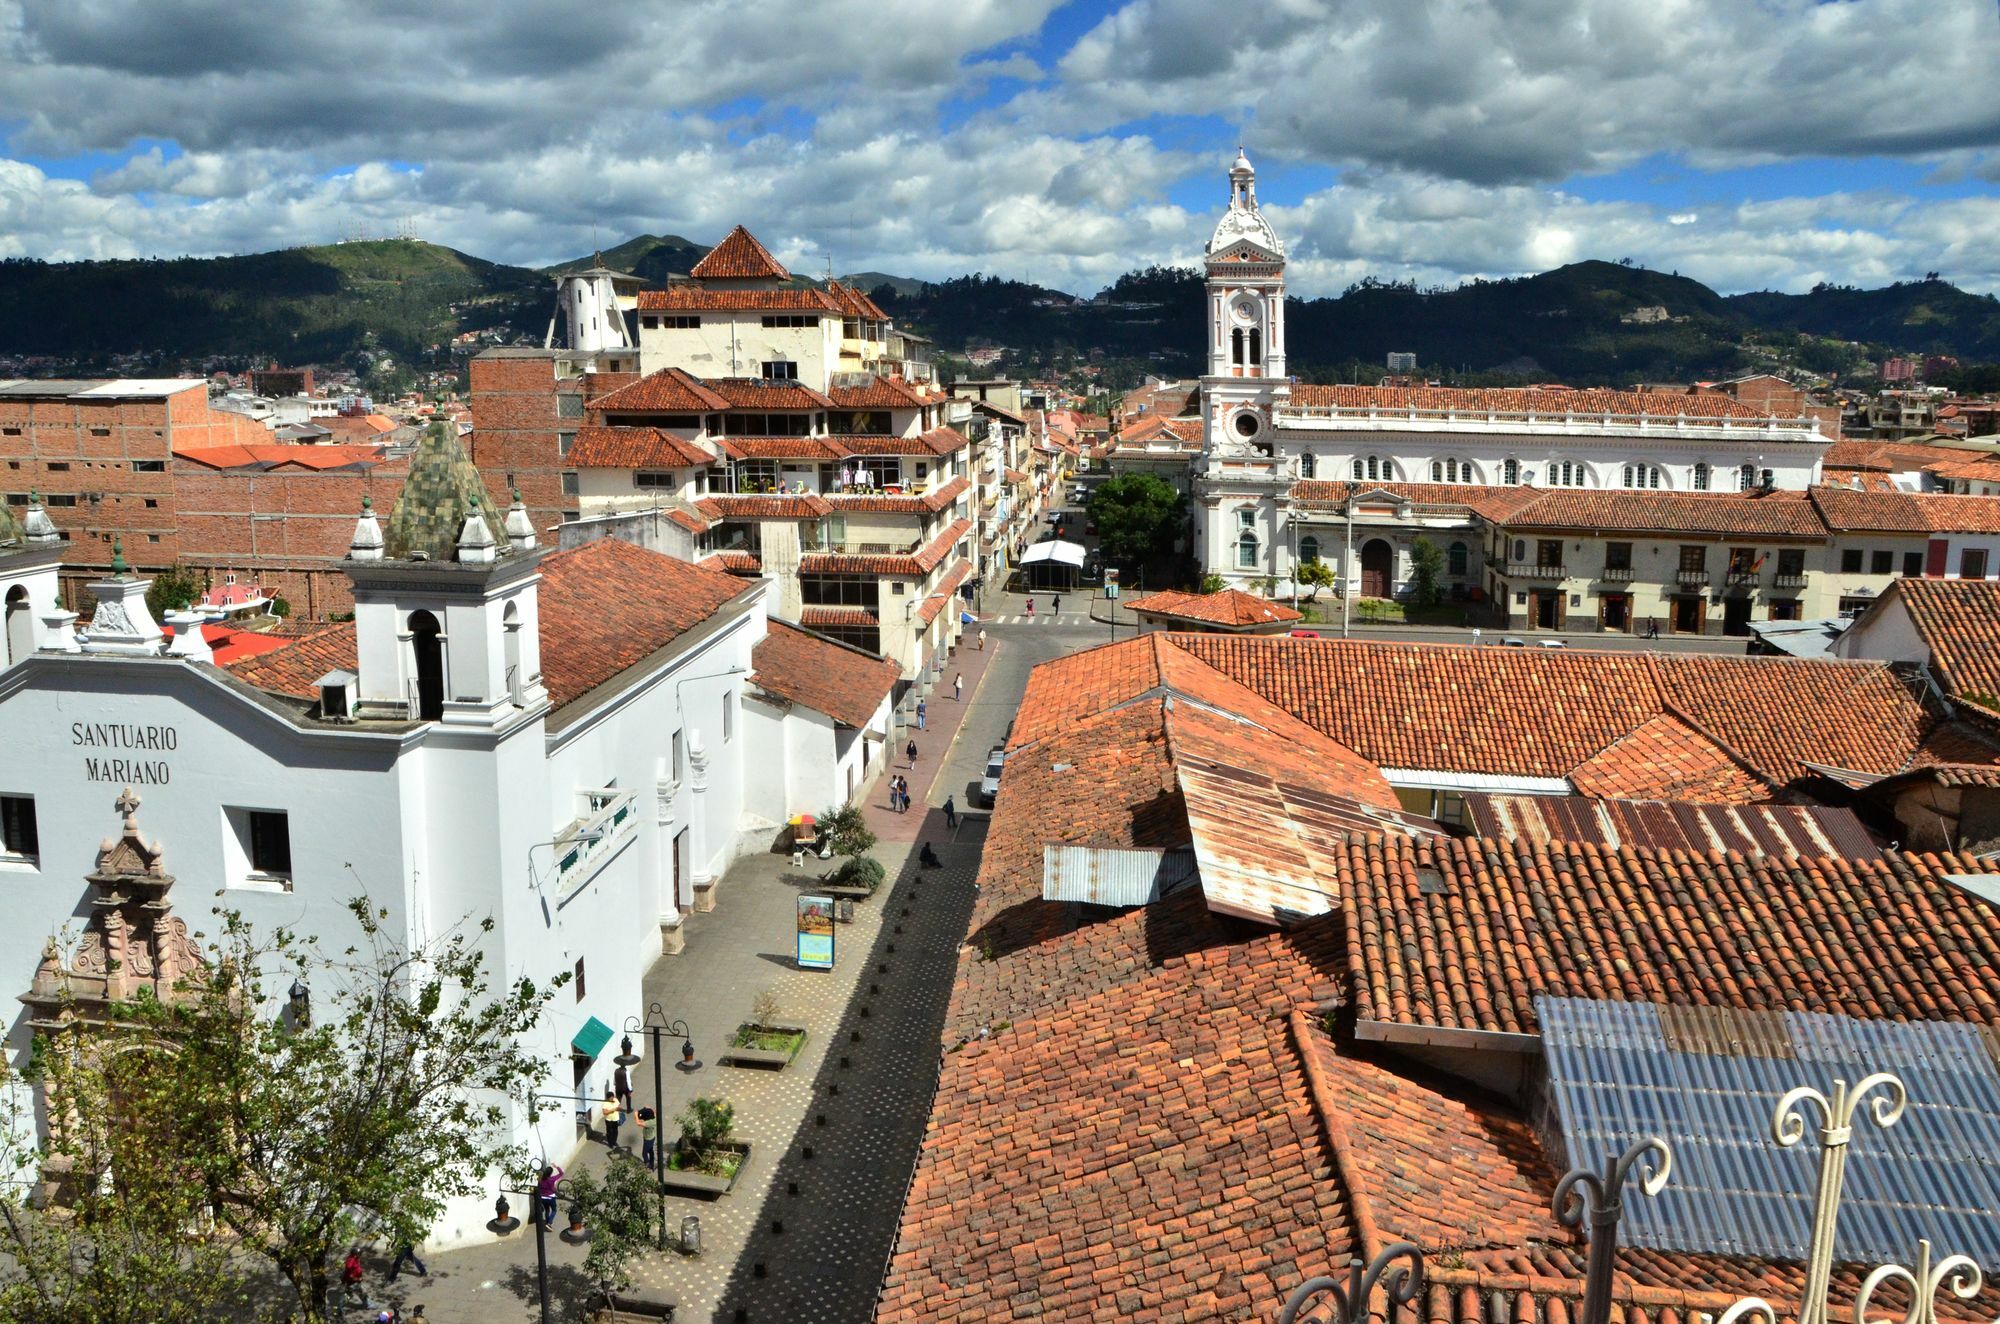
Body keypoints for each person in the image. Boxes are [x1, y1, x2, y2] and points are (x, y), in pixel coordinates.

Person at [342, 1248, 372, 1313]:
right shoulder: (350, 1263)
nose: (360, 1255)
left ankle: (339, 1308)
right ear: (355, 1255)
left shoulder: (354, 1259)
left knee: (349, 1294)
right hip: (353, 1282)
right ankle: (368, 1305)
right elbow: (350, 1275)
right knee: (361, 1293)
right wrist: (358, 1279)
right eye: (359, 1254)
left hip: (354, 1282)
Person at [536, 1163, 563, 1228]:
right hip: (551, 1197)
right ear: (550, 1173)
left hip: (543, 1198)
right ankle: (549, 1223)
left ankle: (547, 1221)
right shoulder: (552, 1179)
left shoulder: (540, 1179)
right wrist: (556, 1166)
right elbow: (561, 1173)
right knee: (554, 1210)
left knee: (547, 1210)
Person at [601, 1085, 623, 1149]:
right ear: (608, 1098)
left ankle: (614, 1141)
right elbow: (604, 1112)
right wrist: (611, 1110)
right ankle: (610, 1143)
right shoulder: (605, 1103)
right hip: (609, 1120)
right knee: (609, 1132)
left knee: (615, 1131)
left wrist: (619, 1108)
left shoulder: (615, 1100)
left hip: (615, 1119)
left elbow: (618, 1106)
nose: (612, 1098)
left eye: (612, 1097)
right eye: (611, 1097)